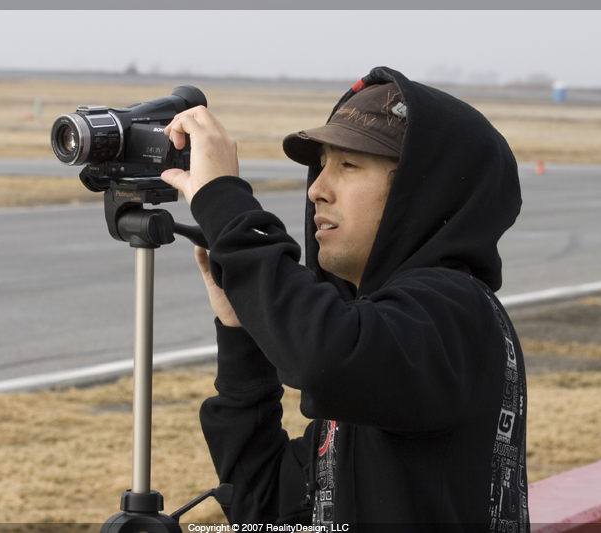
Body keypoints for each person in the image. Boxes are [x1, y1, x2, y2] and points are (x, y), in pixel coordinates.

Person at [161, 66, 529, 532]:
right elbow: (268, 505)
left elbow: (324, 358)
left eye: (348, 166)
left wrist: (225, 205)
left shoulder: (453, 312)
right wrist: (242, 334)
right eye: (322, 165)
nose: (316, 188)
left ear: (420, 195)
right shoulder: (381, 338)